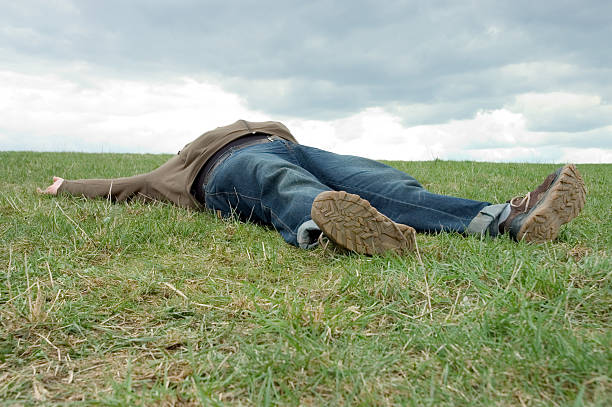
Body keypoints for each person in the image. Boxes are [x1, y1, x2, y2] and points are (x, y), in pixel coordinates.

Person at [38, 119, 587, 255]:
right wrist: (66, 186)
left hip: (298, 149)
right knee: (277, 180)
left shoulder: (275, 131)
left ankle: (508, 219)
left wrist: (280, 136)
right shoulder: (174, 171)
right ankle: (322, 226)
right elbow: (117, 185)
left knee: (382, 180)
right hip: (230, 174)